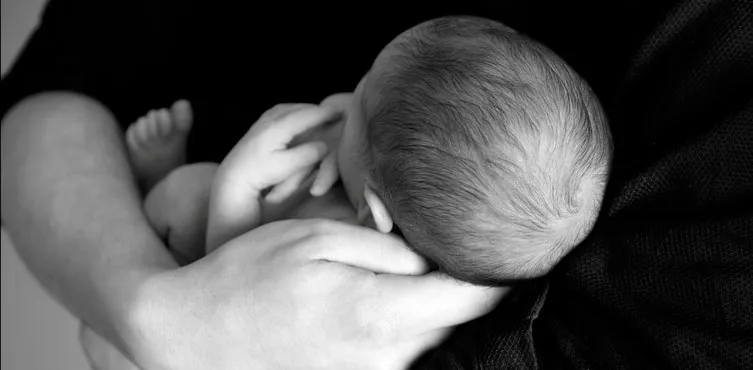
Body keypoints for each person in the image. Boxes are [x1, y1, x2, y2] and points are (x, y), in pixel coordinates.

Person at [2, 0, 750, 369]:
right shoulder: (465, 230)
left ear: (375, 214)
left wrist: (235, 183)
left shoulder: (344, 246)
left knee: (186, 197)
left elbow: (232, 277)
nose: (334, 100)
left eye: (353, 102)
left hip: (178, 330)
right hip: (157, 322)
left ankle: (156, 182)